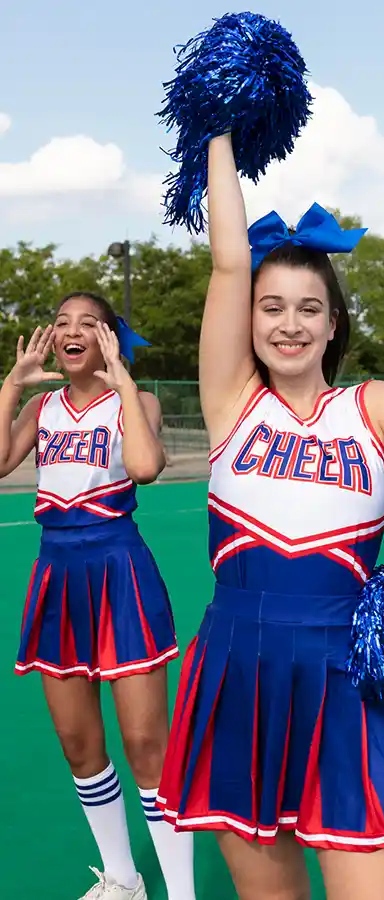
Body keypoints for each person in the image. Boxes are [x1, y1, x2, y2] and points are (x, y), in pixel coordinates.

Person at [155, 133, 384, 900]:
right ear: (249, 319)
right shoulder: (232, 404)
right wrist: (217, 129)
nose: (288, 323)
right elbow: (227, 261)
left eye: (308, 308)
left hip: (347, 671)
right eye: (271, 306)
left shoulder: (373, 406)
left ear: (331, 324)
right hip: (236, 667)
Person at [0, 292, 197, 900]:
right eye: (62, 323)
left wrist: (124, 380)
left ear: (110, 337)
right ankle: (123, 879)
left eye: (89, 323)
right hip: (57, 575)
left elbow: (143, 466)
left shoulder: (138, 403)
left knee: (145, 743)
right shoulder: (42, 405)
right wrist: (12, 385)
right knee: (79, 742)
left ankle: (182, 891)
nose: (70, 331)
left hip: (119, 570)